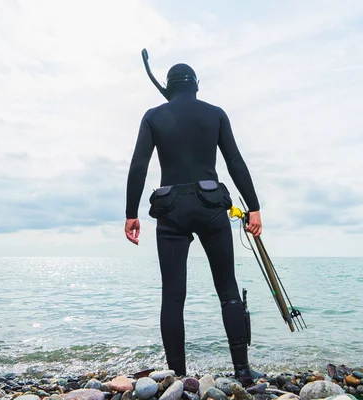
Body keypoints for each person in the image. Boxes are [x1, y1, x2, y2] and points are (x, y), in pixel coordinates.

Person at [124, 62, 262, 386]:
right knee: (228, 290)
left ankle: (178, 376)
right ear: (196, 85)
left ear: (168, 87)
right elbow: (235, 161)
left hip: (171, 210)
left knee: (172, 296)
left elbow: (139, 165)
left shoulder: (152, 116)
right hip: (211, 206)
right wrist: (253, 207)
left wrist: (131, 213)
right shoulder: (215, 114)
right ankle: (242, 371)